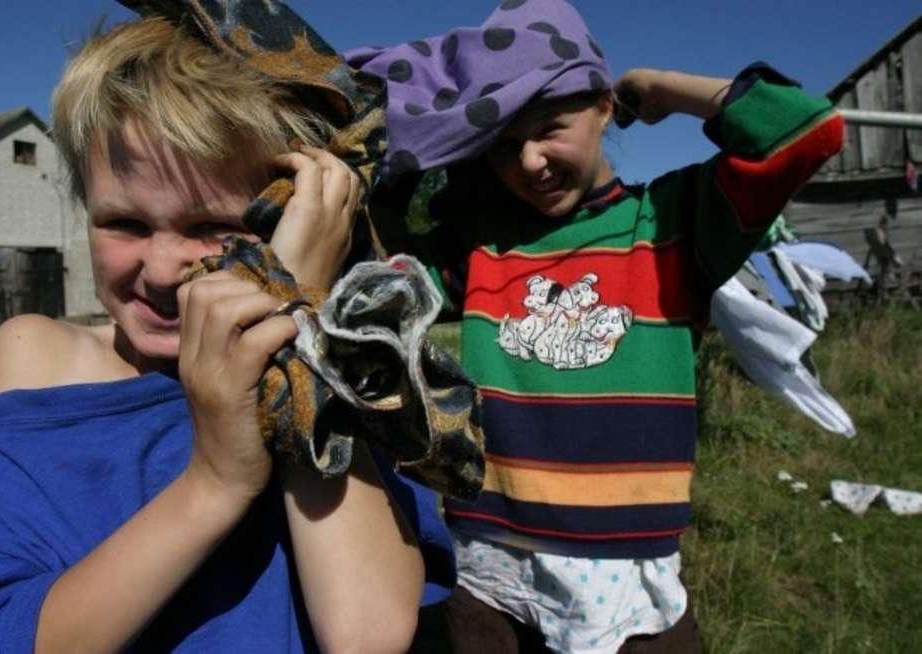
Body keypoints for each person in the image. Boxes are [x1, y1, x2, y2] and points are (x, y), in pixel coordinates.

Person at [0, 9, 455, 654]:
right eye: (123, 223)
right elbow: (3, 634)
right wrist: (215, 480)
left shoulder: (349, 369)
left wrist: (296, 317)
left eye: (213, 228)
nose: (159, 270)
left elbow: (367, 633)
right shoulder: (38, 355)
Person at [347, 0, 844, 651]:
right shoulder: (484, 248)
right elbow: (383, 281)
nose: (528, 162)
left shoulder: (669, 225)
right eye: (502, 145)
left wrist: (663, 86)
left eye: (552, 127)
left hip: (628, 573)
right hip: (490, 568)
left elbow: (806, 132)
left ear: (604, 107)